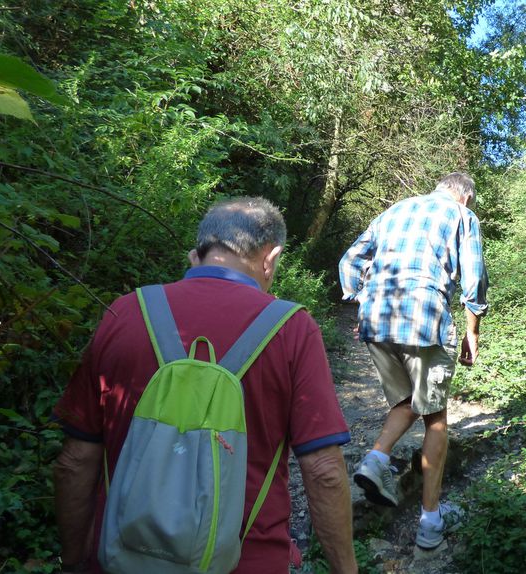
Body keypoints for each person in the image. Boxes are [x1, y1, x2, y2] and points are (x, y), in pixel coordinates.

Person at [52, 197, 357, 574]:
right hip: (246, 562)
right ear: (271, 257)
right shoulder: (292, 329)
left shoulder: (125, 312)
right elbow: (324, 470)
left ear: (196, 254)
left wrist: (74, 560)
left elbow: (74, 461)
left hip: (122, 558)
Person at [338, 172, 488, 550]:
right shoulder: (460, 215)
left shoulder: (393, 211)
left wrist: (361, 300)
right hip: (423, 319)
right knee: (435, 417)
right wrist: (473, 332)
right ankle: (430, 523)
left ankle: (375, 459)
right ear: (465, 197)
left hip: (376, 320)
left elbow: (350, 259)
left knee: (406, 402)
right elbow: (474, 278)